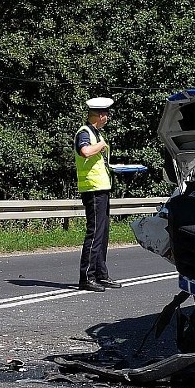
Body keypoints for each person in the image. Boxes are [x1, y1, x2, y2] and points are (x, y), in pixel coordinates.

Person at [74, 97, 121, 292]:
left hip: (101, 188)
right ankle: (87, 276)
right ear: (100, 115)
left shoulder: (96, 133)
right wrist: (101, 146)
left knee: (103, 234)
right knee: (94, 234)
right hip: (92, 190)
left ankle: (101, 274)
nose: (108, 117)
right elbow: (85, 152)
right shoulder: (84, 133)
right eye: (106, 114)